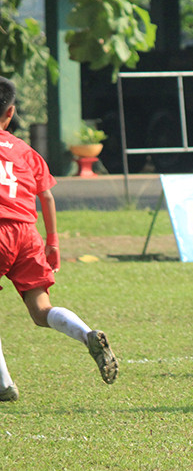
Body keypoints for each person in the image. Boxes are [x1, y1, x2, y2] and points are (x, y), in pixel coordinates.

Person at [0, 77, 117, 402]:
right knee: (41, 309)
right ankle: (86, 334)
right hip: (27, 233)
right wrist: (53, 241)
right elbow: (47, 197)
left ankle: (4, 384)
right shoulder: (24, 150)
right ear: (10, 113)